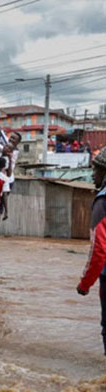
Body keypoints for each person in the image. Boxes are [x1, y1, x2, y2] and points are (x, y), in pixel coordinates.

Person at [76, 150, 106, 358]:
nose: (92, 175)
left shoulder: (102, 201)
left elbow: (99, 249)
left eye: (96, 169)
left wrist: (84, 284)